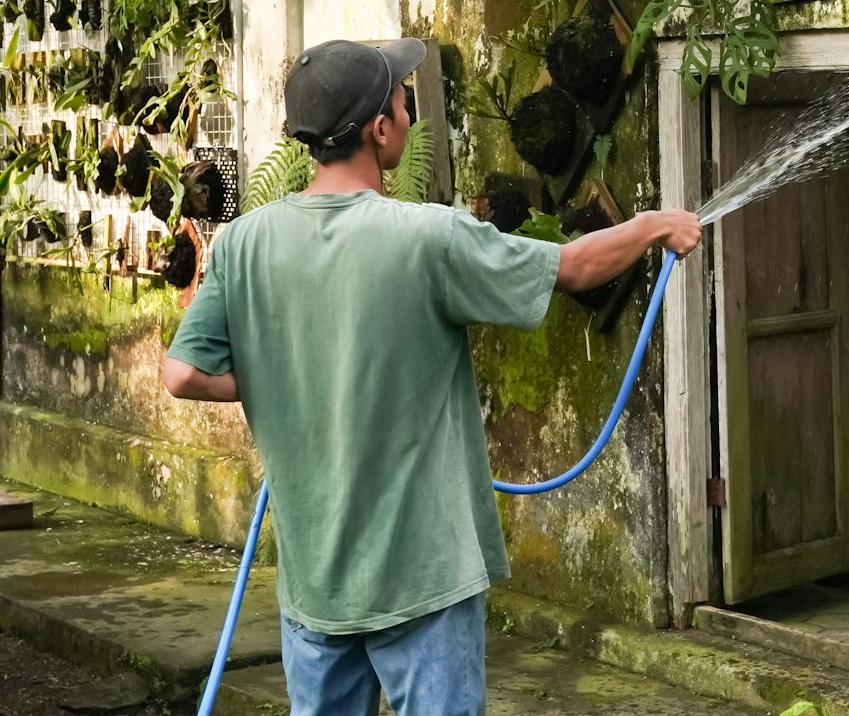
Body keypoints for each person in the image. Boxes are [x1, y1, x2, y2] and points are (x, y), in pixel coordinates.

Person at [162, 38, 701, 716]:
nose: (409, 112)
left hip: (315, 579)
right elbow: (573, 269)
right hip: (424, 576)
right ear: (378, 129)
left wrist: (280, 369)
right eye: (400, 100)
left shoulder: (241, 243)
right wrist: (654, 225)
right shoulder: (427, 236)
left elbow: (182, 373)